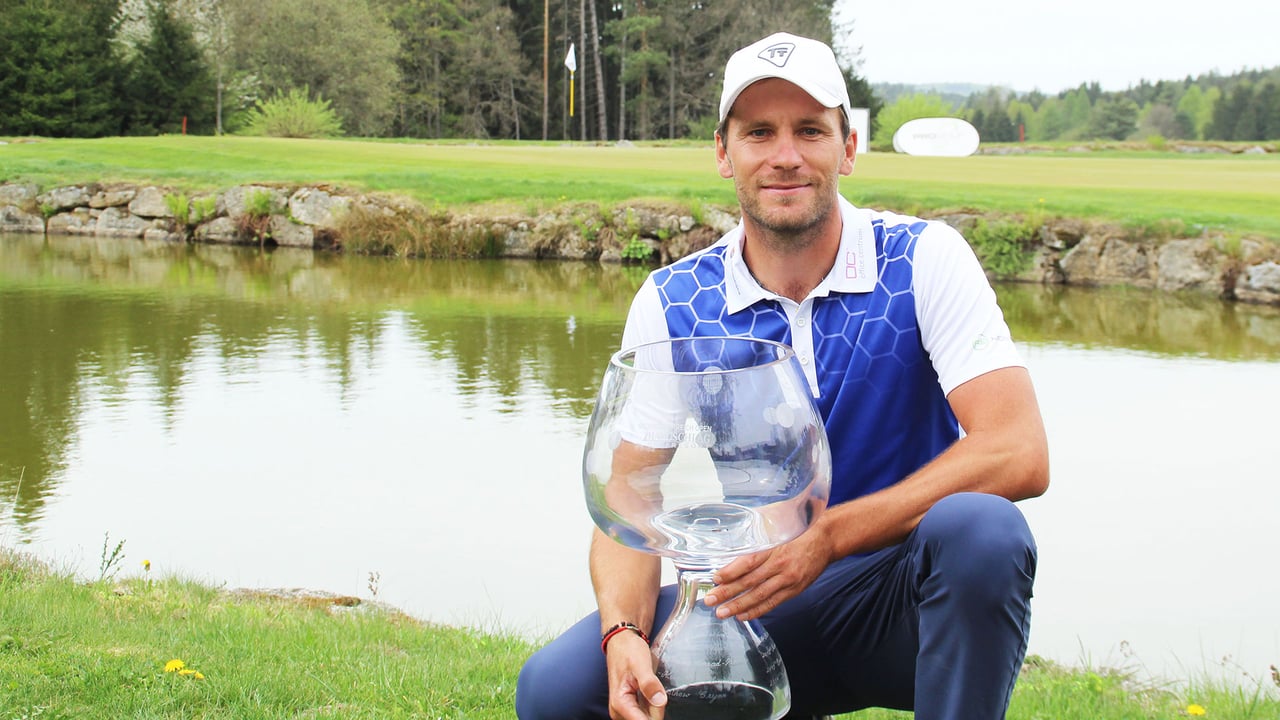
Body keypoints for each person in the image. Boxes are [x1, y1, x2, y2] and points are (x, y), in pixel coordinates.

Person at [516, 30, 1049, 720]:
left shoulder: (925, 259)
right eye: (759, 133)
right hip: (756, 598)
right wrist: (624, 632)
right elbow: (630, 494)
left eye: (810, 131)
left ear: (848, 147)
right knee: (556, 694)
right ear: (723, 153)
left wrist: (826, 538)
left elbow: (1018, 451)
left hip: (905, 602)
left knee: (984, 532)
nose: (786, 156)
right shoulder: (674, 301)